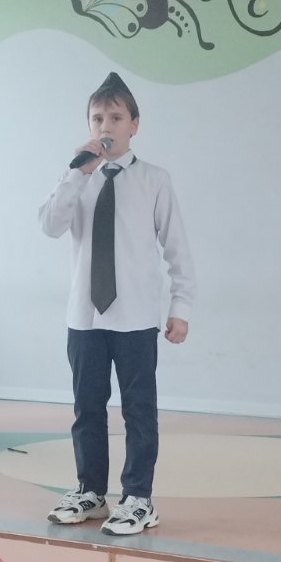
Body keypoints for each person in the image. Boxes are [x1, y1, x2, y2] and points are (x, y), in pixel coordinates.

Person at [39, 71, 195, 536]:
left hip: (136, 316)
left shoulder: (154, 180)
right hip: (85, 317)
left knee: (138, 410)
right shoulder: (76, 178)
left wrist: (181, 308)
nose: (105, 126)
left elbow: (178, 249)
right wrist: (77, 172)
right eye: (97, 118)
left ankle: (138, 497)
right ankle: (90, 491)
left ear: (134, 125)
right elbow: (50, 225)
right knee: (87, 407)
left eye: (115, 117)